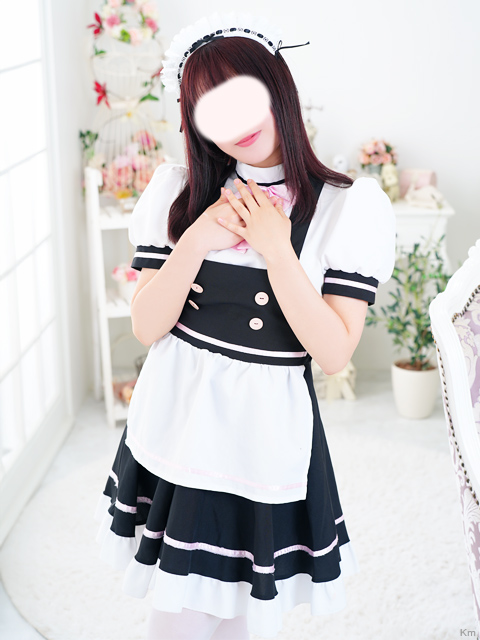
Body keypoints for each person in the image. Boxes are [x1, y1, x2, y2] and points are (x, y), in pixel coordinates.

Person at [94, 10, 396, 640]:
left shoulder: (345, 208)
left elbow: (334, 353)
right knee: (178, 617)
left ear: (276, 86)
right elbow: (147, 326)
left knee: (243, 614)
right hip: (179, 427)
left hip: (262, 437)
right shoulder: (179, 192)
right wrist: (198, 238)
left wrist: (277, 248)